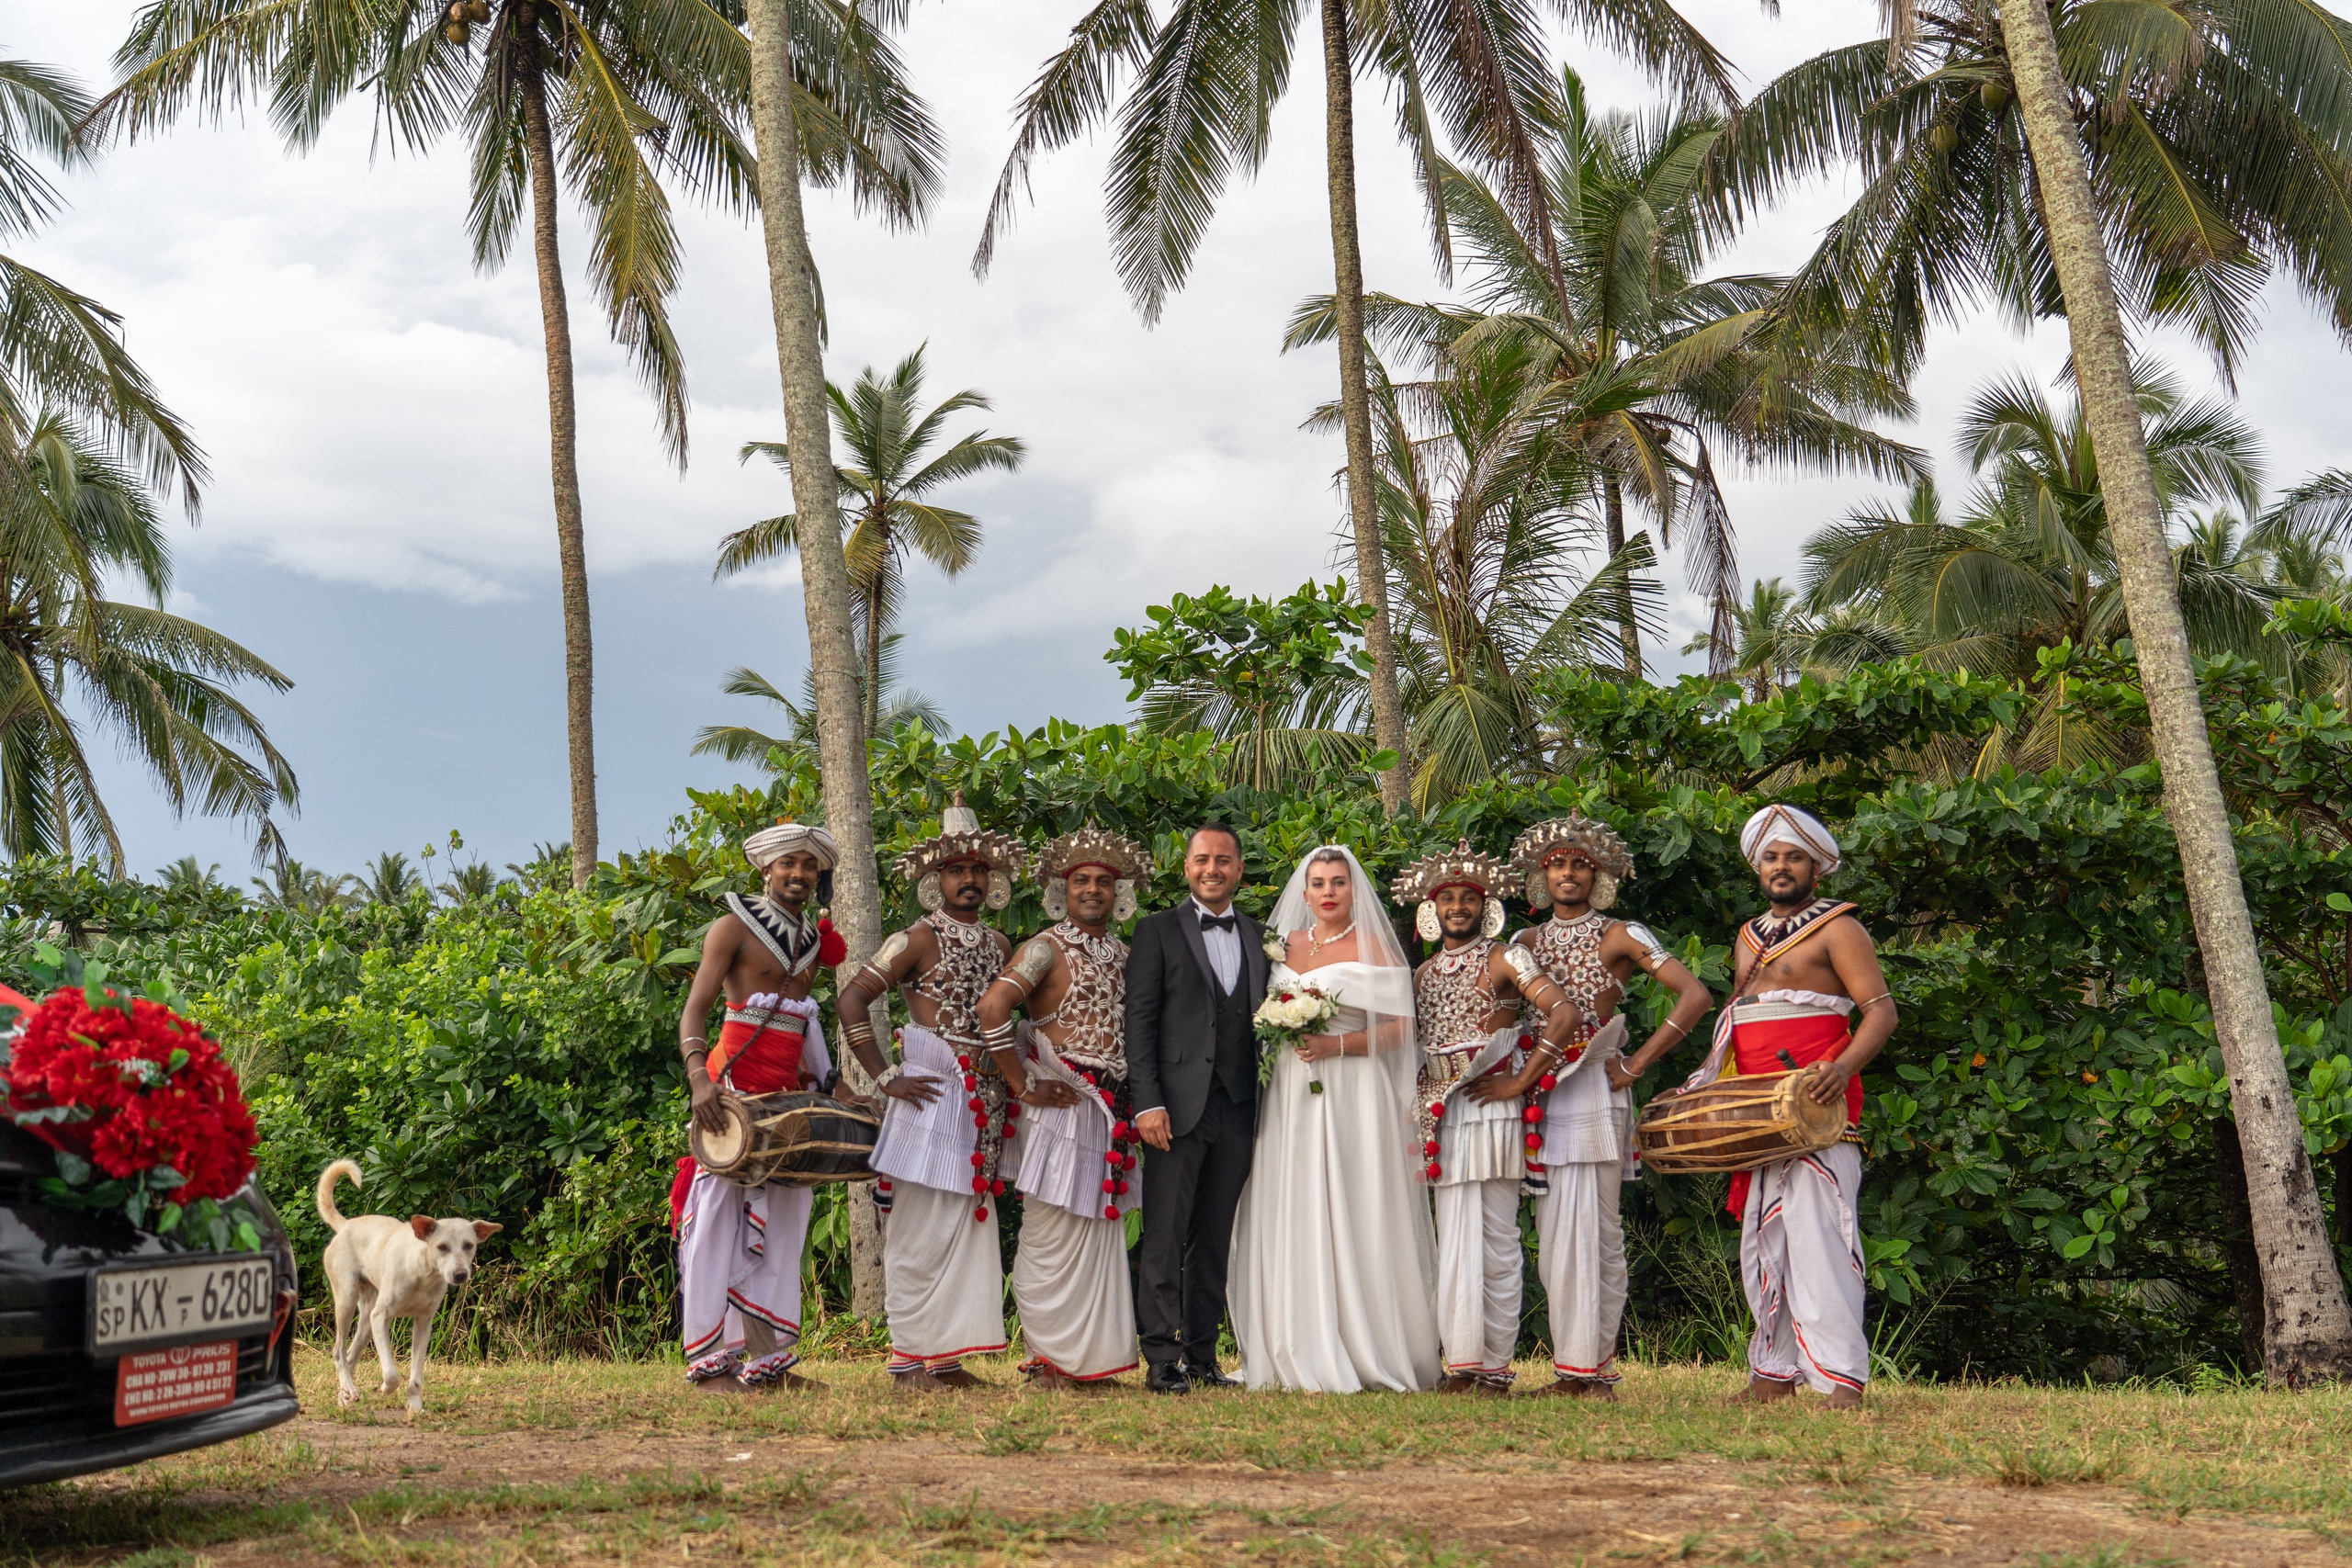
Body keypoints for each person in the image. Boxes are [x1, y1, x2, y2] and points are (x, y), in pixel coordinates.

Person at [1672, 805, 1894, 1410]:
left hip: (1820, 1111)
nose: (1780, 866)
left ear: (1816, 865)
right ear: (1758, 866)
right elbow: (1736, 1027)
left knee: (1821, 1239)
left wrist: (1842, 1067)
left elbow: (1881, 1011)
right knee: (1765, 1241)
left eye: (1793, 856)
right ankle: (1772, 1372)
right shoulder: (1747, 937)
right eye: (1770, 856)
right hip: (1757, 1113)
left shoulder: (1839, 928)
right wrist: (1707, 1087)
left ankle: (1840, 1380)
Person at [1502, 816, 1713, 1398]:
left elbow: (1696, 995)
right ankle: (1581, 1367)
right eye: (1557, 864)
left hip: (1594, 1085)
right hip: (1541, 1090)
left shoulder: (1621, 933)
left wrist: (1636, 1062)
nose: (1567, 873)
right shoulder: (1523, 944)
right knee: (1554, 1231)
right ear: (1541, 874)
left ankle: (1586, 1373)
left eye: (1579, 864)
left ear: (1597, 874)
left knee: (1591, 1229)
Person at [1227, 844, 1442, 1393]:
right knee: (1289, 1198)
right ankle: (1291, 1338)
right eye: (1318, 883)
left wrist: (1338, 1044)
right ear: (1303, 893)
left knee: (1355, 1197)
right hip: (1288, 1093)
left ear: (1353, 890)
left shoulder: (1372, 945)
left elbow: (1402, 1027)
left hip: (1352, 1087)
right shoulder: (1281, 945)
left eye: (1338, 883)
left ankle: (1363, 1341)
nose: (1328, 892)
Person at [836, 792, 1026, 1391]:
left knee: (966, 1221)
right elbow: (852, 1000)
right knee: (920, 1224)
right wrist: (885, 1073)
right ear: (935, 877)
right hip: (929, 1090)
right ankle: (905, 1358)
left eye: (977, 869)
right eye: (956, 869)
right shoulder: (913, 937)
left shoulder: (999, 945)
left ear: (990, 878)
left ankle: (944, 1359)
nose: (968, 879)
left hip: (985, 1096)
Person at [1392, 840, 1581, 1394]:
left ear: (1485, 907)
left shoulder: (1505, 956)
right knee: (1453, 1237)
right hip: (1438, 1111)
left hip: (1490, 1106)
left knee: (1495, 1238)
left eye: (1467, 899)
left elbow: (1563, 1013)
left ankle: (1491, 1368)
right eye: (1446, 898)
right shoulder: (1422, 972)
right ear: (1431, 909)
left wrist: (1524, 1080)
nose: (1457, 907)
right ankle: (1464, 1362)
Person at [975, 825, 1153, 1389]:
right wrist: (1021, 1083)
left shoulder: (1127, 954)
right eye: (1082, 881)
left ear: (1119, 894)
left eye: (1104, 881)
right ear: (1063, 889)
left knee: (1097, 1233)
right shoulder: (1044, 948)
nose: (1094, 889)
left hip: (1111, 1111)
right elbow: (991, 1009)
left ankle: (1091, 1364)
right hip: (1058, 1103)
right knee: (1049, 1229)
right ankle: (1047, 1360)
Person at [673, 820, 846, 1392]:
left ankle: (766, 1364)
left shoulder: (816, 941)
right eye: (789, 864)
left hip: (786, 1106)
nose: (799, 874)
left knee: (781, 1229)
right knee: (718, 1228)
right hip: (732, 1096)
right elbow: (695, 1013)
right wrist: (701, 1081)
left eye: (809, 866)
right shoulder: (732, 927)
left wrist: (829, 1086)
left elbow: (806, 1022)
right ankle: (707, 1367)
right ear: (766, 870)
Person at [1125, 823, 1270, 1393]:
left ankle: (1202, 1355)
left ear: (1238, 870)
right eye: (1202, 860)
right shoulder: (1156, 931)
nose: (1213, 869)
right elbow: (1138, 1023)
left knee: (1214, 1235)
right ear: (1185, 867)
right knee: (1164, 1234)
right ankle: (1161, 1358)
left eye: (1224, 861)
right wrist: (1148, 1102)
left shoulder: (1259, 935)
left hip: (1238, 1106)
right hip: (1174, 1109)